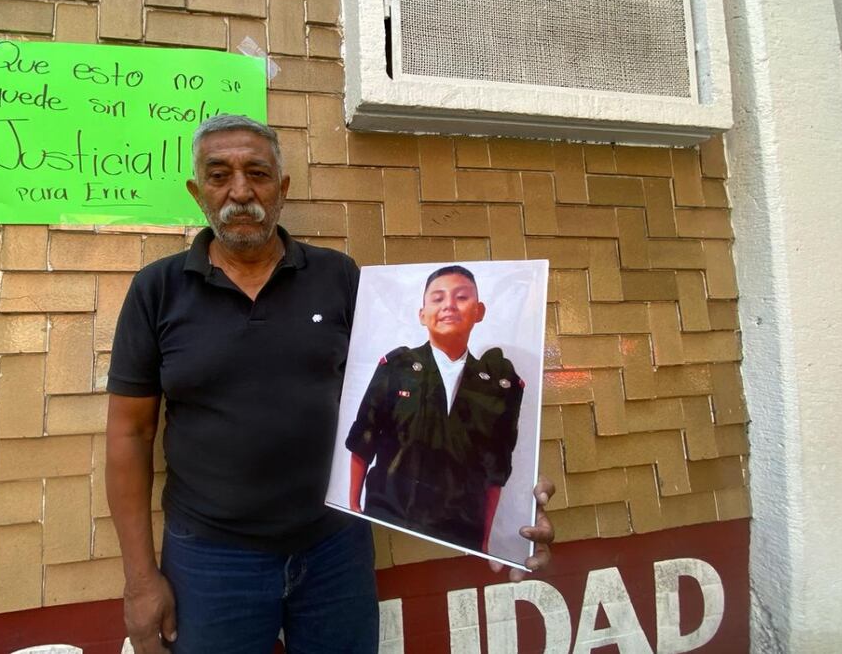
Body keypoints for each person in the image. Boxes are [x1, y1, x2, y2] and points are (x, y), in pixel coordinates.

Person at [104, 114, 555, 654]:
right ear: (196, 191)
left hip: (334, 550)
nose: (240, 191)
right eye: (219, 175)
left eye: (258, 174)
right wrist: (139, 579)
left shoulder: (339, 278)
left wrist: (512, 518)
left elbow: (401, 408)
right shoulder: (156, 291)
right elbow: (129, 435)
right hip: (210, 559)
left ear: (283, 189)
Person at [346, 265, 524, 554]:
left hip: (460, 527)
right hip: (389, 515)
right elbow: (364, 438)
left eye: (461, 297)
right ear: (422, 314)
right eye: (438, 298)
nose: (449, 306)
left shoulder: (498, 385)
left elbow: (496, 468)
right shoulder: (396, 368)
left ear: (479, 311)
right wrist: (354, 506)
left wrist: (484, 540)